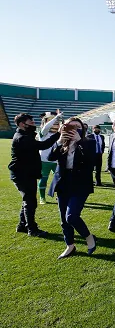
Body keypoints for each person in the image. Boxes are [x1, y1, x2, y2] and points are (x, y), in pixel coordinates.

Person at [47, 117, 97, 259]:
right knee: (63, 219)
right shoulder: (63, 143)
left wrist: (79, 141)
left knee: (71, 216)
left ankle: (89, 237)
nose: (75, 129)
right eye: (71, 126)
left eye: (78, 126)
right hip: (63, 183)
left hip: (80, 184)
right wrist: (59, 141)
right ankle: (70, 245)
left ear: (83, 128)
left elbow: (91, 161)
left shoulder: (89, 142)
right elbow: (50, 157)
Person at [9, 113, 61, 237]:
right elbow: (43, 145)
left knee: (28, 200)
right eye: (31, 123)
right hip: (22, 174)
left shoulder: (26, 135)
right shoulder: (22, 138)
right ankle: (32, 229)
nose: (34, 124)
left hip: (27, 173)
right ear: (22, 124)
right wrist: (59, 134)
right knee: (30, 201)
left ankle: (22, 225)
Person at [38, 110, 63, 204]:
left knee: (60, 180)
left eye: (56, 122)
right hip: (44, 161)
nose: (55, 123)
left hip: (57, 161)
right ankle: (42, 197)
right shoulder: (43, 133)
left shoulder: (59, 134)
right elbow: (46, 127)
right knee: (43, 179)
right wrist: (56, 118)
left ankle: (59, 196)